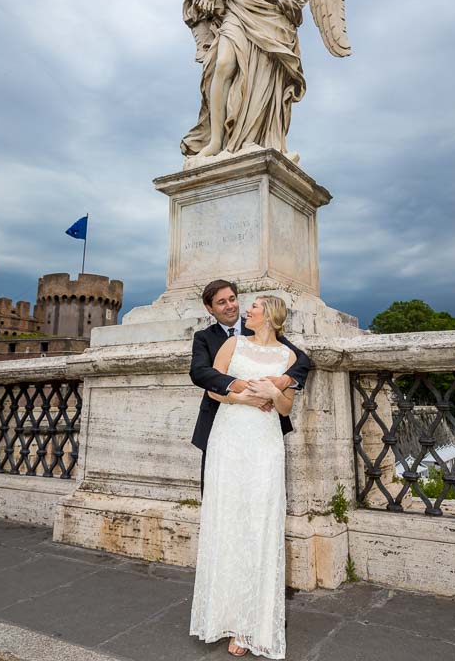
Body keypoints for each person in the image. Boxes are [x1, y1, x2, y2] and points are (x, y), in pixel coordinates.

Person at [190, 292, 299, 658]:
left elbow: (286, 407)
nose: (244, 310)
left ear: (267, 315)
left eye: (251, 307)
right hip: (229, 437)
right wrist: (244, 397)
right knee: (228, 520)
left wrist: (274, 390)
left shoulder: (289, 357)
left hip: (265, 442)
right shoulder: (233, 343)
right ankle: (224, 615)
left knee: (260, 523)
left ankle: (253, 624)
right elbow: (213, 387)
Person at [180, 0, 305, 160]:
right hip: (236, 13)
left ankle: (257, 138)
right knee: (222, 65)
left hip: (267, 16)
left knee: (262, 75)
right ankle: (216, 142)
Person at [190, 279, 311, 496]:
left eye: (232, 299)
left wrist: (282, 382)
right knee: (219, 493)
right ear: (210, 309)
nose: (230, 306)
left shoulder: (260, 325)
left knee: (259, 491)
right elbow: (199, 372)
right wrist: (236, 386)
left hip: (262, 428)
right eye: (221, 302)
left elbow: (301, 360)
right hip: (220, 424)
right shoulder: (204, 337)